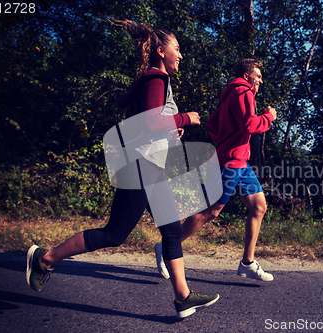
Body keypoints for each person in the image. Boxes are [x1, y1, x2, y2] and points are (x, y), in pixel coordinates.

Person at [26, 18, 219, 319]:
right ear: (160, 51)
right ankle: (45, 258)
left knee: (171, 230)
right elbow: (151, 121)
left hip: (149, 165)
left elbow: (147, 124)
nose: (181, 55)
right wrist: (185, 119)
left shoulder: (153, 80)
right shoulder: (157, 79)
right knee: (115, 234)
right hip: (141, 166)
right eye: (177, 49)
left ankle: (183, 297)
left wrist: (171, 131)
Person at [156, 59, 277, 281]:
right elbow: (250, 125)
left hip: (241, 162)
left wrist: (226, 142)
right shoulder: (243, 92)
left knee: (259, 207)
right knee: (210, 211)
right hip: (230, 162)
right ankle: (166, 247)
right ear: (248, 76)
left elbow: (212, 123)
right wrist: (269, 117)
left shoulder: (233, 94)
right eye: (258, 76)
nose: (261, 80)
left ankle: (247, 263)